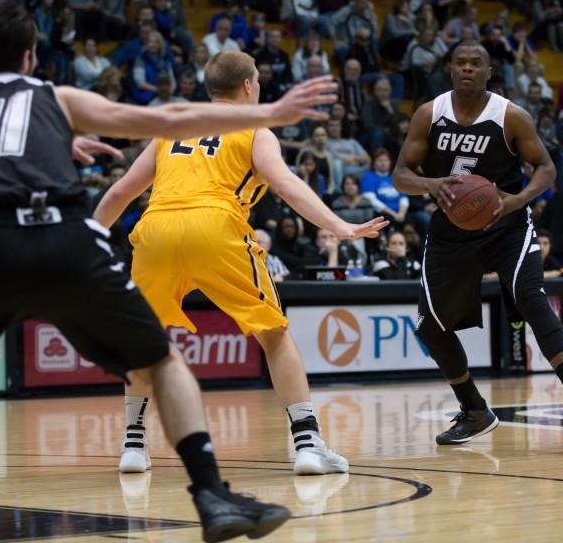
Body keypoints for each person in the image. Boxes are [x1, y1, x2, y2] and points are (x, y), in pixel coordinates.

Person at [0, 4, 345, 542]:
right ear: (31, 57)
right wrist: (272, 113)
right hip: (65, 238)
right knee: (161, 357)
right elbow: (168, 118)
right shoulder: (56, 99)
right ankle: (211, 494)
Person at [93, 50, 387, 476]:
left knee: (145, 338)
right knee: (274, 334)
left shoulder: (171, 130)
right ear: (249, 86)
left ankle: (134, 446)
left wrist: (84, 237)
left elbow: (121, 192)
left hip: (155, 229)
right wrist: (338, 225)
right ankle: (307, 444)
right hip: (215, 226)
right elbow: (285, 183)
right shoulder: (254, 128)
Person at [391, 41, 563, 448]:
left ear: (489, 72)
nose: (468, 69)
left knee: (531, 300)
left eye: (476, 64)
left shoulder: (510, 116)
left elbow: (546, 167)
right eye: (461, 63)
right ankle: (474, 411)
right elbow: (401, 174)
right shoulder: (429, 114)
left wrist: (517, 200)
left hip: (505, 224)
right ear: (449, 69)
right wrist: (430, 185)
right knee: (430, 327)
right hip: (451, 232)